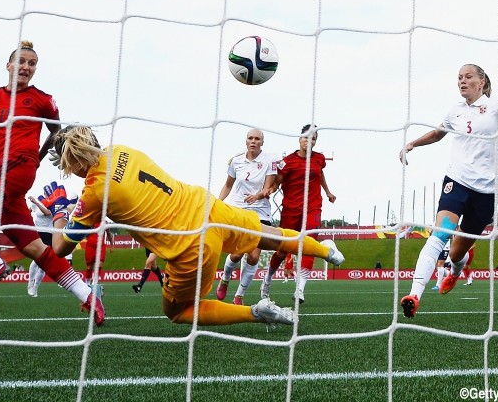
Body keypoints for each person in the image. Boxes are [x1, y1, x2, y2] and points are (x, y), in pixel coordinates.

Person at [43, 125, 345, 327]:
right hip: (206, 205)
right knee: (270, 236)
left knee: (178, 312)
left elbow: (59, 249)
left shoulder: (94, 191)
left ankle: (255, 312)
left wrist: (58, 208)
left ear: (71, 161)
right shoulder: (122, 150)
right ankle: (325, 250)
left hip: (189, 242)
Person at [0, 41, 104, 326]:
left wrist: (36, 159)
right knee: (34, 249)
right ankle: (88, 295)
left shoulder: (42, 100)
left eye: (32, 63)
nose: (26, 67)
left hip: (17, 168)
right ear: (9, 65)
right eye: (22, 61)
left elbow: (57, 134)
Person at [399, 64, 498, 318]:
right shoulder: (455, 112)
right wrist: (413, 143)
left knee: (459, 253)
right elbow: (439, 133)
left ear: (481, 82)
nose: (462, 81)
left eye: (468, 77)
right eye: (459, 77)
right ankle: (414, 295)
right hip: (457, 182)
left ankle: (456, 272)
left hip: (487, 193)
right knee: (439, 236)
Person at [260, 124, 344, 304]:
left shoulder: (319, 159)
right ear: (300, 139)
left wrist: (328, 192)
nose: (309, 141)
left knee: (310, 243)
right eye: (306, 137)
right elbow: (277, 182)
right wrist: (270, 190)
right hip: (291, 209)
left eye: (313, 138)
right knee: (283, 250)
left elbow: (319, 174)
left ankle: (300, 288)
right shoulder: (288, 161)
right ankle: (266, 282)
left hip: (313, 207)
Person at [215, 129, 278, 305]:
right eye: (250, 138)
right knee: (236, 255)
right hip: (239, 211)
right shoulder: (236, 161)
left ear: (262, 142)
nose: (253, 141)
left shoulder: (269, 160)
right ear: (246, 141)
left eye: (257, 139)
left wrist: (259, 195)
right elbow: (228, 185)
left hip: (260, 212)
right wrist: (218, 202)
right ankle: (225, 279)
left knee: (254, 256)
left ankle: (239, 295)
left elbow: (267, 188)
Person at [27, 190, 76, 297]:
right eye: (48, 193)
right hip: (40, 232)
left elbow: (47, 213)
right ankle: (30, 283)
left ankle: (35, 286)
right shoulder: (38, 201)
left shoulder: (54, 203)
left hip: (51, 234)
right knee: (36, 260)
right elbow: (28, 211)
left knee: (44, 265)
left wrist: (36, 202)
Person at [83, 221, 113, 286]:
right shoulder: (90, 221)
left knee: (99, 264)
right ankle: (87, 283)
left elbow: (109, 234)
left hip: (100, 245)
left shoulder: (105, 223)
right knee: (89, 266)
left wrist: (111, 245)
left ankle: (95, 283)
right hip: (90, 246)